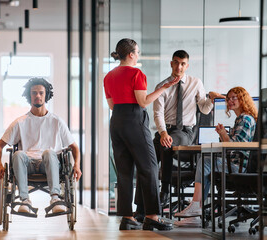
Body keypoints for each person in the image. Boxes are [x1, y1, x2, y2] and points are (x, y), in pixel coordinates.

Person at [104, 38, 180, 231]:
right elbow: (143, 102)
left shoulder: (109, 76)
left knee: (124, 171)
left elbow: (111, 105)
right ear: (131, 54)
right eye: (137, 52)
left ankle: (127, 217)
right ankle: (152, 216)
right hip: (134, 120)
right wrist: (163, 88)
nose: (138, 55)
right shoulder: (136, 73)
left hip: (117, 122)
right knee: (150, 167)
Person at [0, 77, 82, 214]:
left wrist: (76, 165)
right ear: (29, 96)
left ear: (46, 95)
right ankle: (25, 200)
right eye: (34, 93)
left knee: (49, 152)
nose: (37, 96)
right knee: (18, 154)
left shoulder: (56, 121)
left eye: (41, 93)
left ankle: (55, 199)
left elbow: (74, 147)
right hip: (27, 165)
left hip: (49, 163)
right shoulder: (20, 122)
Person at [174, 86, 257, 227]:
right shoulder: (241, 118)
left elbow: (235, 147)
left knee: (206, 161)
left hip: (237, 167)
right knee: (207, 163)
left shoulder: (245, 118)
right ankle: (196, 213)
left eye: (233, 98)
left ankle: (196, 207)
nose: (230, 101)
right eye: (228, 98)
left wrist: (224, 134)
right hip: (235, 164)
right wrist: (223, 134)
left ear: (242, 99)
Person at [152, 50, 224, 208]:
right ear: (171, 63)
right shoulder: (162, 86)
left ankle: (164, 190)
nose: (179, 67)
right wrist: (163, 132)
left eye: (183, 63)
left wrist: (211, 99)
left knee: (167, 144)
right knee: (147, 155)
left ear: (187, 66)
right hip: (165, 129)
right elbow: (157, 113)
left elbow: (204, 109)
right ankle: (145, 204)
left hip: (185, 131)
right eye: (176, 62)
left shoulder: (195, 83)